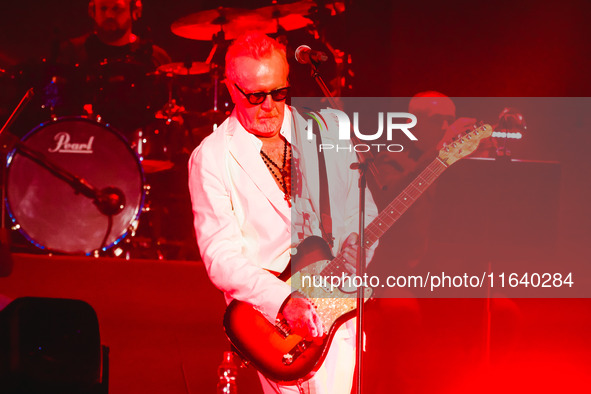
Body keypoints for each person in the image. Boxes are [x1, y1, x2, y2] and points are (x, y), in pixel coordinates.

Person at [188, 32, 378, 393]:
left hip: (338, 306)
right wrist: (283, 300)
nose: (270, 106)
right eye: (256, 96)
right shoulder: (211, 157)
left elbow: (361, 208)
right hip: (271, 323)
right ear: (231, 90)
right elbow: (220, 258)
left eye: (278, 93)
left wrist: (360, 249)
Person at [56, 0, 171, 133]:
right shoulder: (72, 52)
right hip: (82, 139)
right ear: (92, 11)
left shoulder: (156, 58)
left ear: (135, 11)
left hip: (140, 147)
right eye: (103, 8)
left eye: (117, 9)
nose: (109, 15)